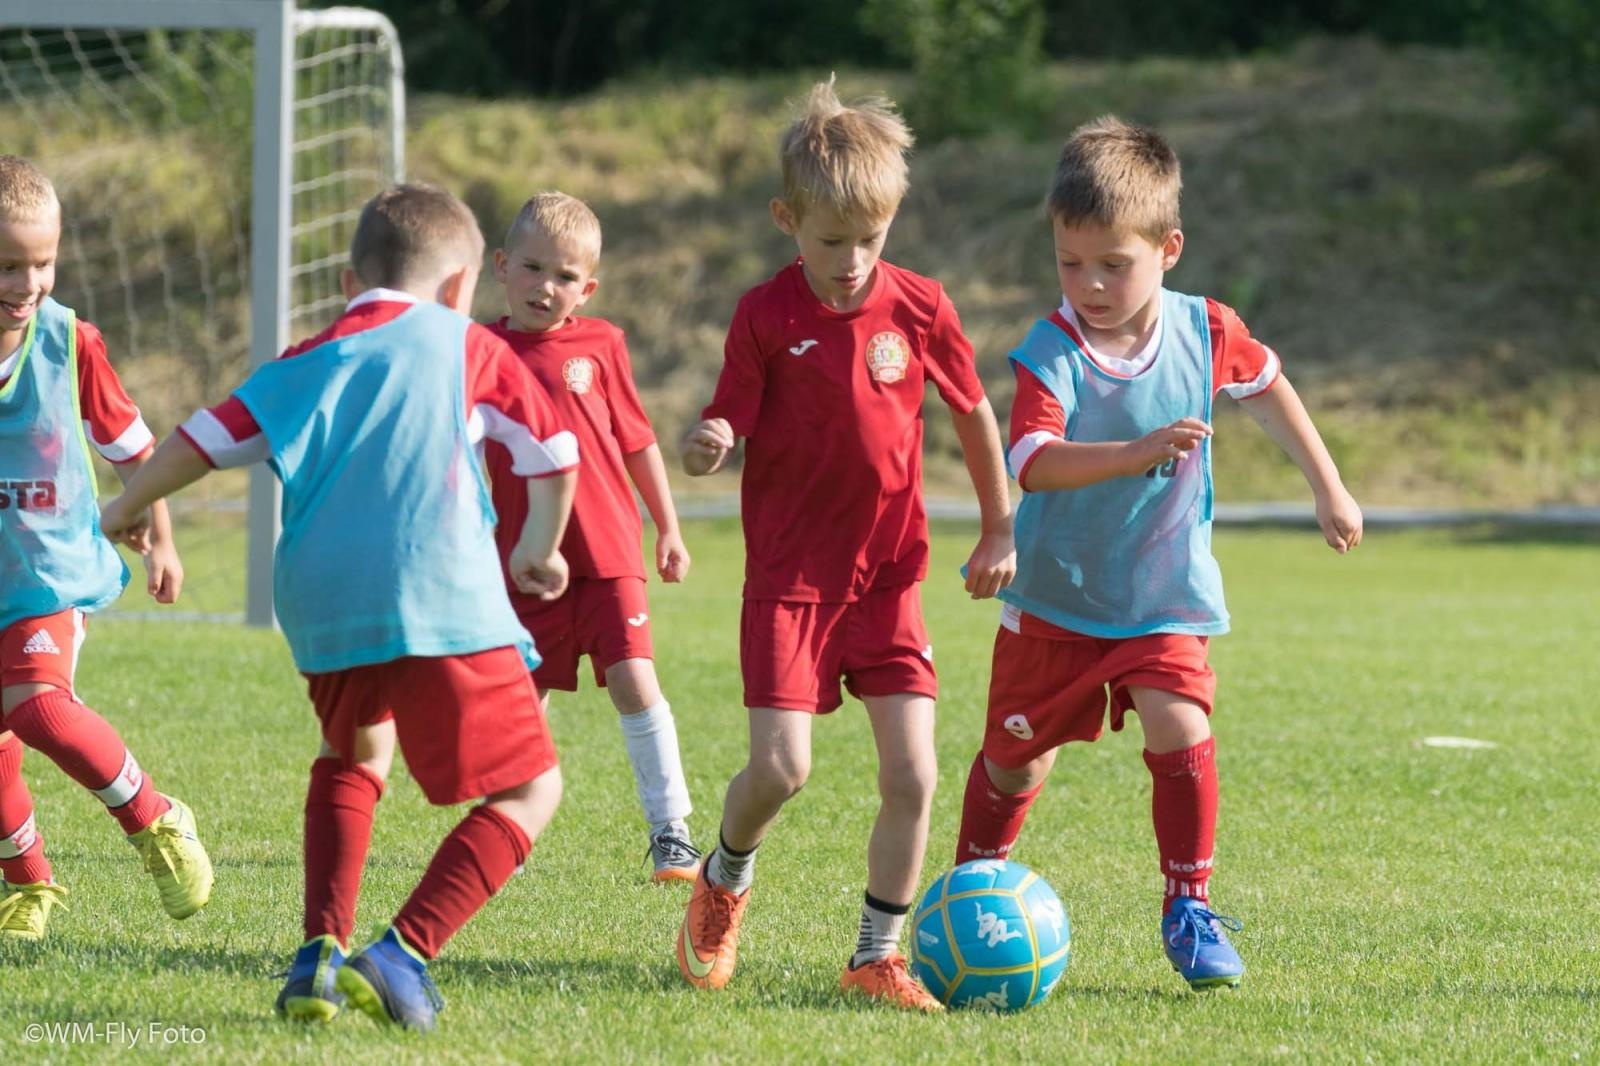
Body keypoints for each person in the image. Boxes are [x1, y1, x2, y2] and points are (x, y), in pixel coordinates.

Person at [100, 183, 579, 1032]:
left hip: (320, 603)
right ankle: (402, 956)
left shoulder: (305, 358)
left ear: (351, 279)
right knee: (533, 789)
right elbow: (555, 450)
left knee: (354, 748)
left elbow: (199, 443)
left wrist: (124, 507)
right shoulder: (464, 341)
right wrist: (539, 548)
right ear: (463, 284)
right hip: (436, 590)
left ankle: (317, 953)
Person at [953, 115, 1364, 991]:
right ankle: (969, 884)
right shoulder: (1052, 349)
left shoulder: (1206, 327)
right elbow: (1033, 461)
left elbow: (1268, 389)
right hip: (1059, 600)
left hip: (1164, 591)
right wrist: (1139, 452)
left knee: (1183, 725)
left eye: (1114, 263)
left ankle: (1189, 903)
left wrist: (1327, 484)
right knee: (1014, 762)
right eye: (1071, 262)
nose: (1091, 284)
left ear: (1168, 248)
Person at [676, 80, 1016, 1011]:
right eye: (833, 241)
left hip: (889, 581)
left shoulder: (919, 307)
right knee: (783, 769)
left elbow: (974, 413)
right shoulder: (763, 315)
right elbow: (724, 420)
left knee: (915, 773)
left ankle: (877, 957)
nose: (855, 260)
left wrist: (998, 524)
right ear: (787, 220)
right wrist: (707, 442)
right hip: (790, 582)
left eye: (873, 238)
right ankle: (724, 876)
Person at [0, 155, 211, 940]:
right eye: (9, 265)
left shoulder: (68, 341)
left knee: (39, 707)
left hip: (49, 576)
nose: (28, 284)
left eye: (42, 263)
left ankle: (156, 819)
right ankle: (29, 886)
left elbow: (136, 453)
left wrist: (161, 539)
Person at [486, 192, 700, 883]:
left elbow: (637, 442)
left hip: (609, 554)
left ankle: (671, 833)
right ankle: (506, 831)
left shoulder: (601, 345)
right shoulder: (481, 354)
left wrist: (667, 526)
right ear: (501, 266)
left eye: (565, 276)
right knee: (520, 699)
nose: (546, 286)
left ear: (589, 287)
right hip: (523, 563)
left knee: (635, 683)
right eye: (532, 266)